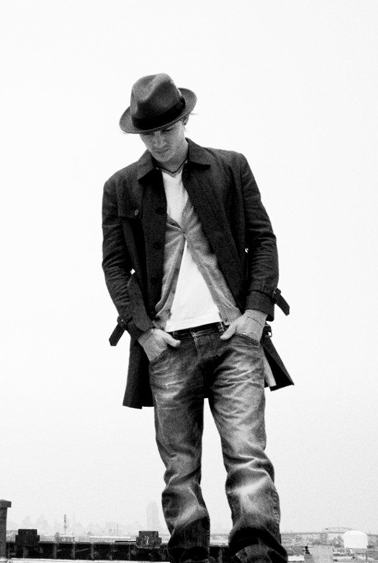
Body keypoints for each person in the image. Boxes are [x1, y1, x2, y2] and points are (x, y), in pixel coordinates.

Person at [101, 73, 292, 563]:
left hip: (234, 335)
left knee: (247, 455)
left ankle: (257, 551)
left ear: (185, 120)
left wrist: (255, 312)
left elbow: (263, 240)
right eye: (148, 134)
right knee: (179, 467)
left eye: (167, 129)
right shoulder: (120, 187)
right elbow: (115, 266)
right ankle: (189, 554)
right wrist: (144, 333)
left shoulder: (230, 167)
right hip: (167, 345)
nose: (159, 141)